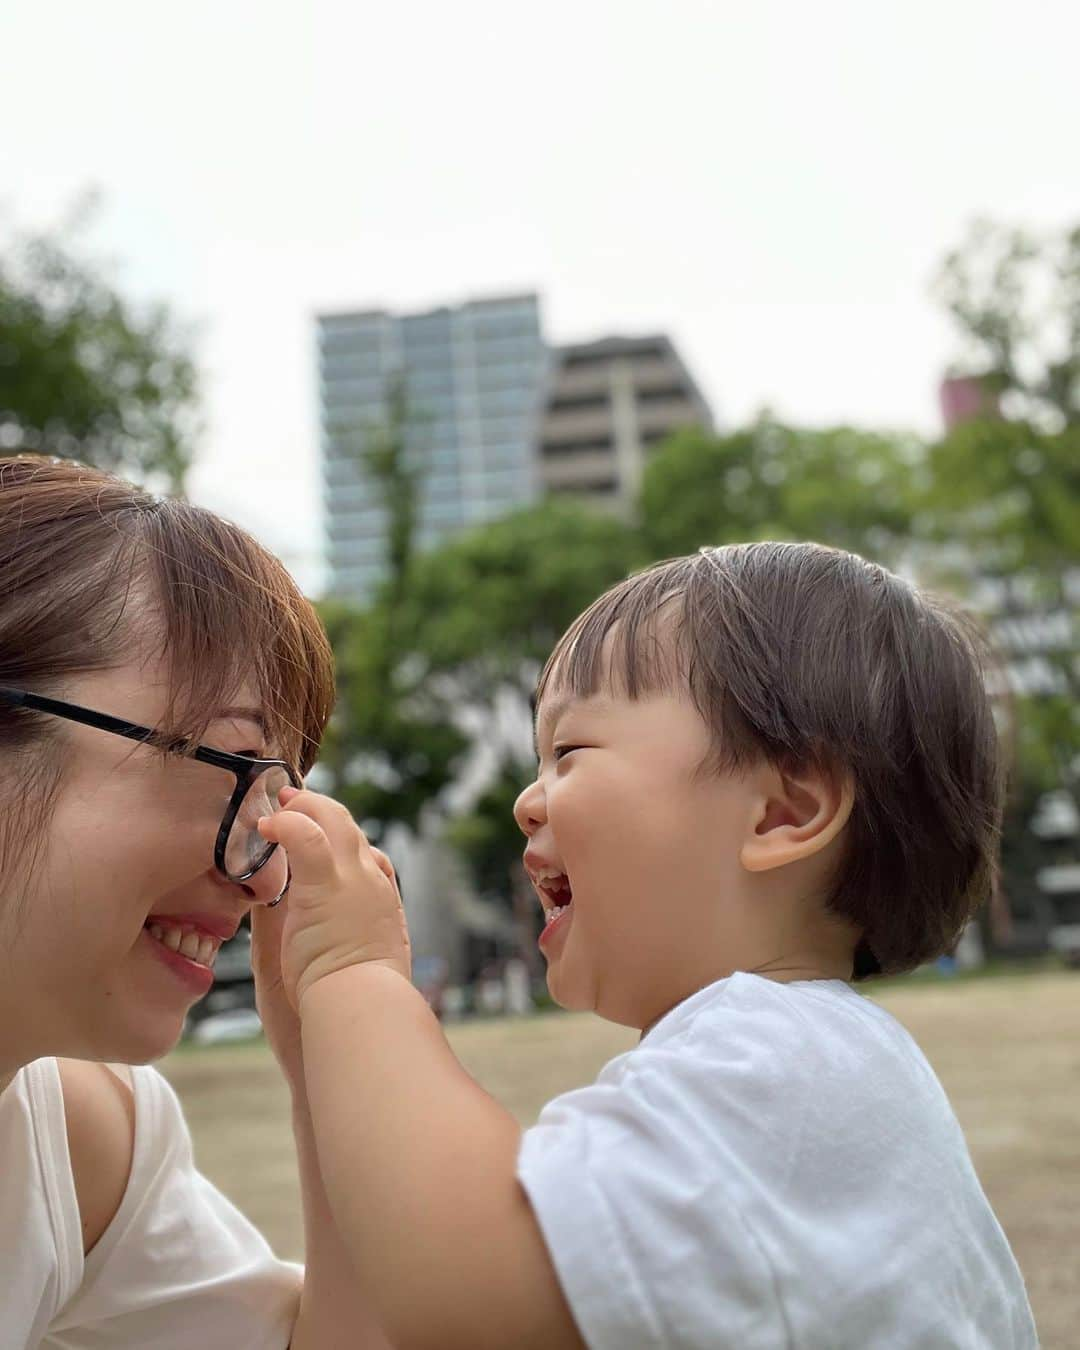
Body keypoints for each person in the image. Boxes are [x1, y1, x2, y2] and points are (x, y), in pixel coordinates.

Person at [259, 541, 1039, 1349]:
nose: (529, 801)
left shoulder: (777, 1056)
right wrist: (321, 1049)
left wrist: (352, 973)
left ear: (780, 814)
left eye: (570, 752)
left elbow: (473, 1289)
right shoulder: (811, 1059)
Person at [0, 456, 390, 1348]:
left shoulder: (84, 1134)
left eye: (281, 799)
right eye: (231, 771)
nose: (267, 875)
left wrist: (340, 1049)